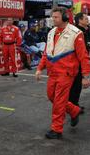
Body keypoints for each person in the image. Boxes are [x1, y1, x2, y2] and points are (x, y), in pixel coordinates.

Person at [36, 7, 90, 139]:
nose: (52, 19)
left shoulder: (76, 33)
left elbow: (83, 56)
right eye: (52, 17)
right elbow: (46, 53)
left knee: (59, 101)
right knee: (51, 96)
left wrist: (85, 76)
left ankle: (56, 129)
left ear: (65, 18)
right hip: (53, 72)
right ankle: (74, 110)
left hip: (66, 73)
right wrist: (39, 68)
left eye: (56, 17)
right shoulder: (51, 32)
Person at [68, 12, 90, 111]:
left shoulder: (87, 30)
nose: (88, 20)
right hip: (75, 63)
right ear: (80, 20)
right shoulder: (75, 32)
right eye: (86, 19)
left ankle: (74, 104)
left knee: (78, 86)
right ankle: (72, 106)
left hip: (84, 61)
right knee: (75, 86)